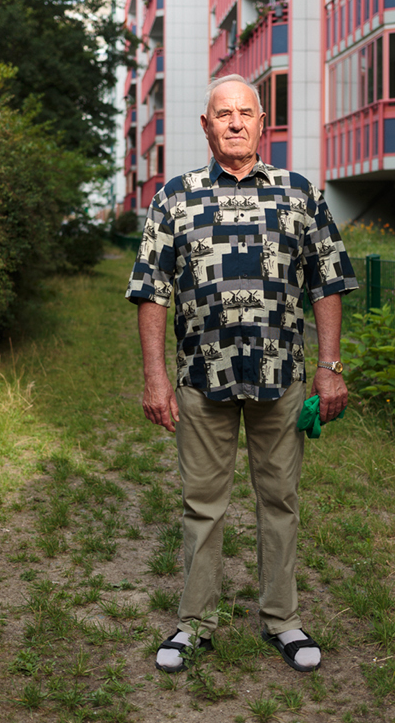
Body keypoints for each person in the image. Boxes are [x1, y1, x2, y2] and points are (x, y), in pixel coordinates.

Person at [126, 73, 358, 673]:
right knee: (202, 504)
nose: (234, 123)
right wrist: (155, 379)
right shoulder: (174, 197)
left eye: (245, 113)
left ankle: (283, 619)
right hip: (202, 377)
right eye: (223, 114)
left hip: (281, 377)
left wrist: (329, 367)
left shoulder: (299, 193)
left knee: (280, 500)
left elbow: (328, 282)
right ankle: (194, 623)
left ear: (262, 123)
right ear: (206, 127)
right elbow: (151, 292)